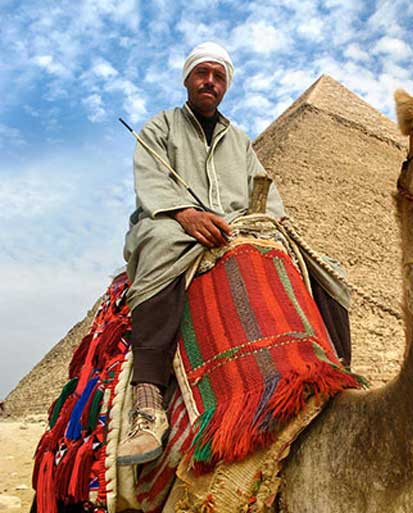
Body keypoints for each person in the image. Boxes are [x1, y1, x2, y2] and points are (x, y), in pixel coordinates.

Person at [117, 42, 350, 466]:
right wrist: (184, 214)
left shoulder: (238, 139)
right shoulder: (159, 129)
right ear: (188, 79)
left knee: (325, 268)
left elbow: (265, 192)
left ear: (226, 85)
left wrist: (267, 223)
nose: (210, 81)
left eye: (218, 76)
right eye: (202, 73)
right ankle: (148, 400)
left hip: (236, 226)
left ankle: (338, 374)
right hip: (172, 222)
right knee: (161, 244)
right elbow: (150, 184)